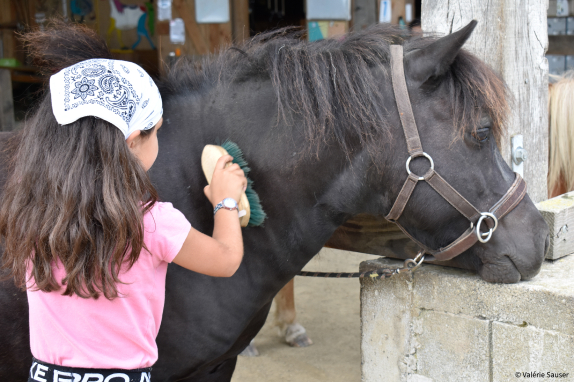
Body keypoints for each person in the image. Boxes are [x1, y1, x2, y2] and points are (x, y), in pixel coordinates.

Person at [0, 25, 246, 382]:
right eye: (156, 130)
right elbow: (225, 259)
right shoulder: (152, 223)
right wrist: (225, 198)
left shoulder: (27, 211)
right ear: (132, 142)